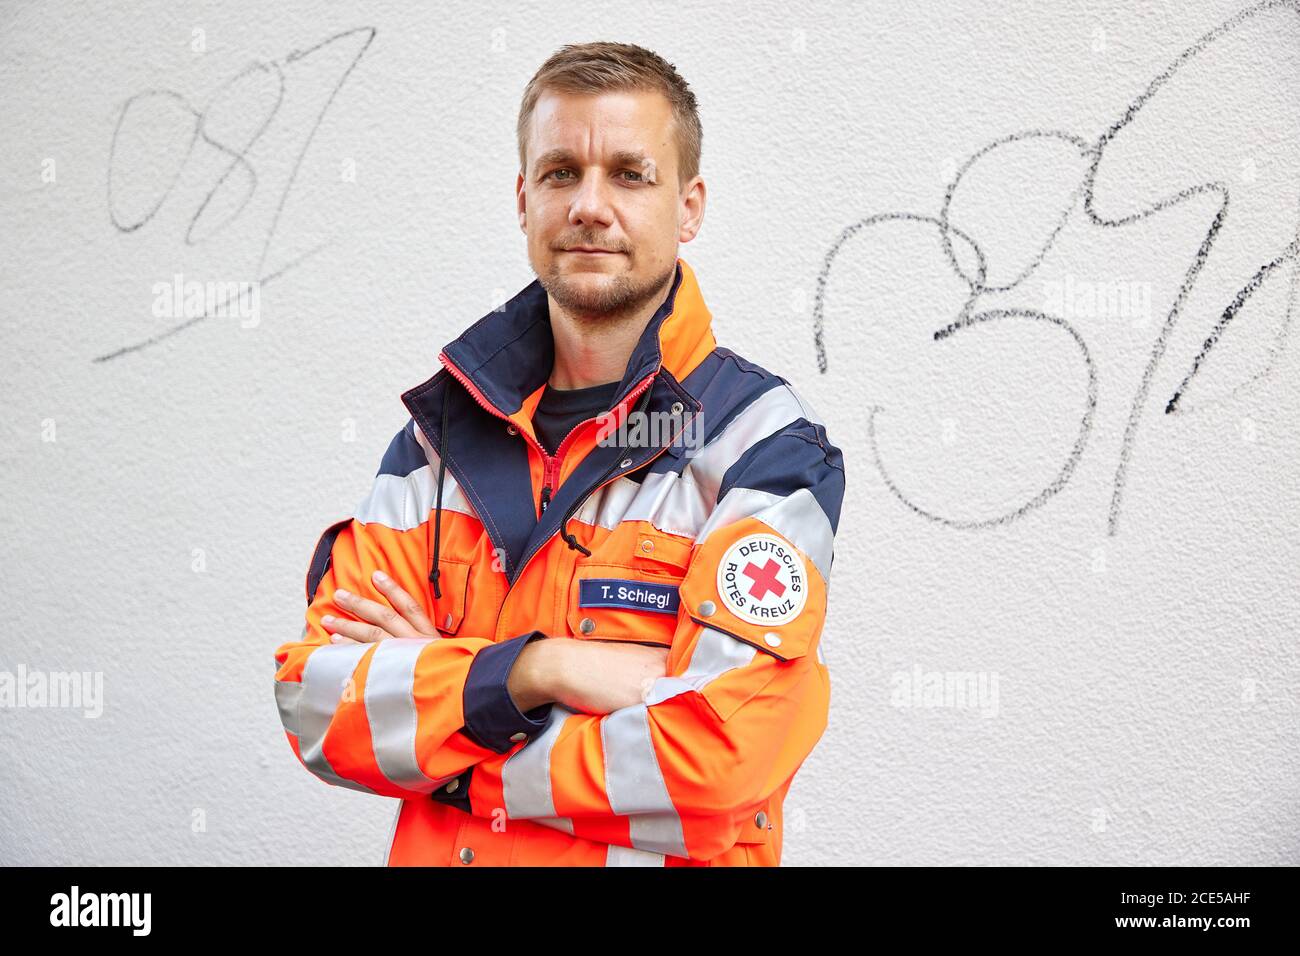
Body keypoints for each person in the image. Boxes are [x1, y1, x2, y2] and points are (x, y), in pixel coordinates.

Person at [273, 40, 845, 866]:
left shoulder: (763, 445)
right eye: (560, 173)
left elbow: (721, 758)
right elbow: (317, 704)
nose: (589, 205)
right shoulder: (440, 438)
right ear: (523, 198)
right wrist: (542, 670)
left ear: (689, 207)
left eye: (628, 173)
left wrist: (444, 722)